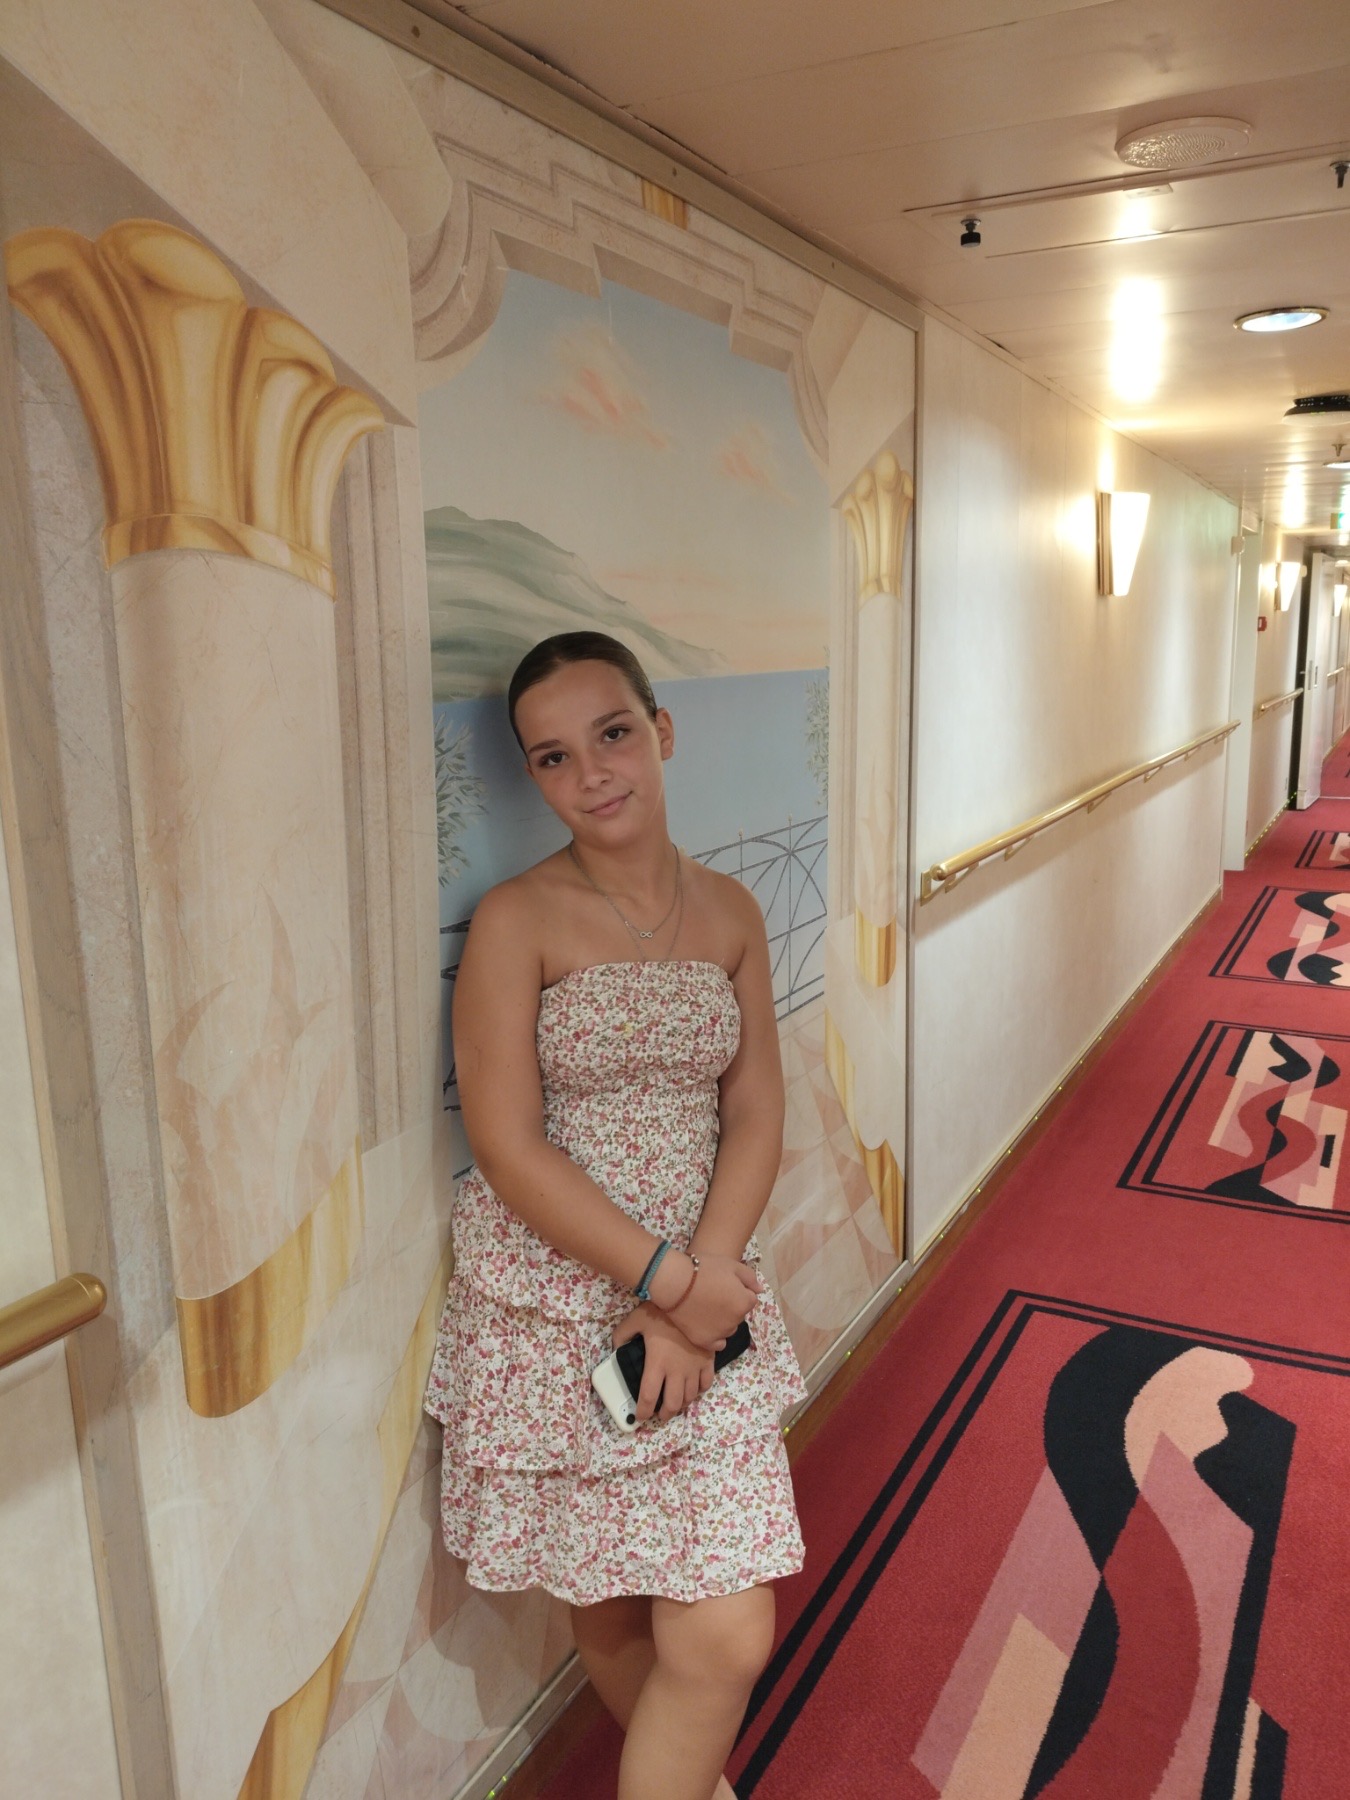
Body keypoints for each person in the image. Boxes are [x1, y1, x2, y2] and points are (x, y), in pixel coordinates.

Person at [425, 629, 807, 1800]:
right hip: (562, 1293)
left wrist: (703, 1287)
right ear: (533, 776)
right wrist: (665, 1284)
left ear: (661, 732)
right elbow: (507, 1144)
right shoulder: (517, 919)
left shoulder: (732, 909)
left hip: (707, 1276)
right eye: (553, 757)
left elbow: (755, 1106)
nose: (591, 774)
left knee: (726, 1634)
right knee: (611, 1596)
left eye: (612, 734)